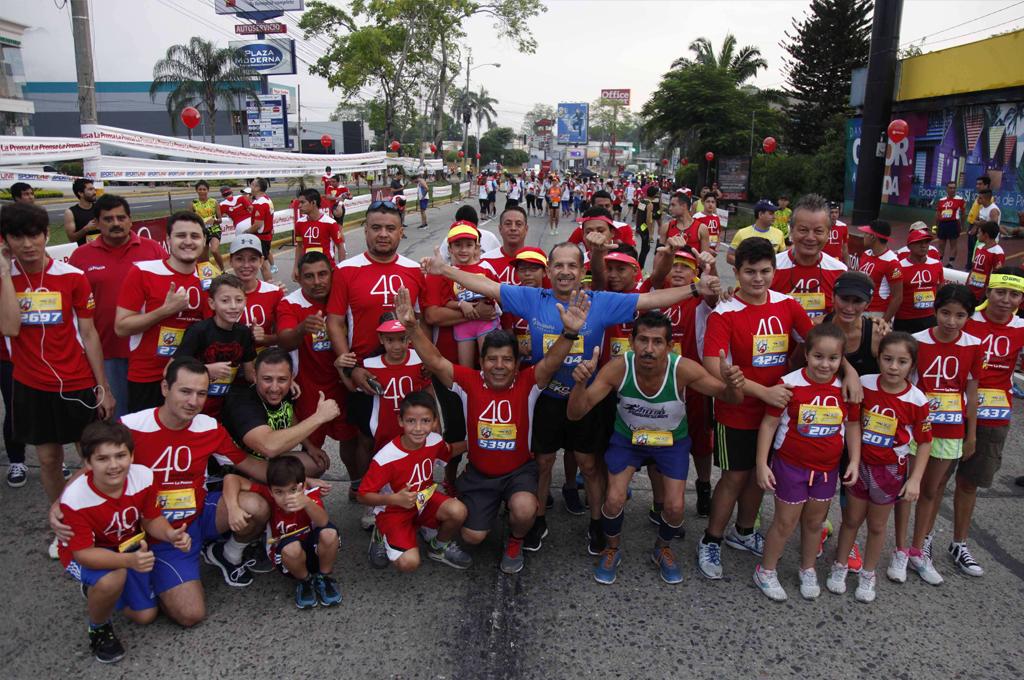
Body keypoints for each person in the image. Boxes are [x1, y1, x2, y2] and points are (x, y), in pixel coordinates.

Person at [422, 241, 723, 555]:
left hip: (587, 397)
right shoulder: (533, 298)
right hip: (546, 398)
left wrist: (695, 289)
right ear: (550, 271)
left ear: (582, 272)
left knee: (590, 465)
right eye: (559, 266)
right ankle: (536, 520)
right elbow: (488, 286)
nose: (565, 272)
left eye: (572, 266)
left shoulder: (601, 302)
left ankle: (595, 523)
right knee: (542, 462)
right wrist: (445, 269)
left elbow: (650, 298)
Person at [395, 286, 588, 573]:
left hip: (519, 472)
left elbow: (552, 361)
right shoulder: (468, 382)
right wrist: (412, 328)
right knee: (472, 536)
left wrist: (570, 333)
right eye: (492, 359)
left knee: (525, 510)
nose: (499, 366)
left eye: (507, 359)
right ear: (482, 362)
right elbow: (435, 360)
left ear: (516, 363)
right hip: (480, 475)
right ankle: (477, 505)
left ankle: (515, 539)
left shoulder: (528, 382)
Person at [567, 311, 746, 585]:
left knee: (675, 507)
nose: (649, 349)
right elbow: (576, 414)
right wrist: (580, 384)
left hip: (670, 442)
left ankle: (662, 548)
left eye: (657, 342)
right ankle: (612, 547)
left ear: (669, 346)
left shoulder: (682, 368)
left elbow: (730, 398)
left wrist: (733, 384)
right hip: (628, 440)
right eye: (643, 340)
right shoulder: (618, 367)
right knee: (613, 499)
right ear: (632, 341)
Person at [698, 237, 814, 581]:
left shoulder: (789, 305)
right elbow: (710, 365)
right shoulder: (725, 313)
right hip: (737, 410)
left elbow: (819, 343)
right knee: (735, 476)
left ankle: (744, 531)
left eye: (765, 271)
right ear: (736, 272)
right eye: (750, 272)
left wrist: (847, 371)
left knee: (760, 478)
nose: (758, 279)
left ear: (774, 271)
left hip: (777, 413)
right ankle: (711, 539)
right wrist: (761, 391)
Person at [2, 203, 113, 558]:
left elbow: (90, 333)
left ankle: (95, 519)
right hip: (30, 385)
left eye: (34, 235)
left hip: (77, 382)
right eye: (17, 237)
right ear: (6, 242)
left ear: (46, 235)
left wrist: (103, 387)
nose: (28, 244)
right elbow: (10, 327)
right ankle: (63, 522)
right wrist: (5, 275)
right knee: (48, 461)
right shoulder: (6, 281)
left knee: (91, 457)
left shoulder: (72, 277)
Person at [57, 420, 191, 663]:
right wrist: (129, 561)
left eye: (120, 455)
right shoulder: (76, 498)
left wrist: (171, 534)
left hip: (126, 548)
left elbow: (152, 519)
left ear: (132, 455)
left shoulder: (143, 476)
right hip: (88, 553)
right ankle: (99, 628)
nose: (114, 465)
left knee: (146, 616)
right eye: (102, 459)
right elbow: (83, 554)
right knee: (113, 577)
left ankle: (99, 592)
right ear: (87, 463)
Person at [326, 201, 426, 518]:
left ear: (400, 232)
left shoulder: (413, 271)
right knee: (364, 437)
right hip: (365, 370)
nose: (383, 234)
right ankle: (369, 493)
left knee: (409, 433)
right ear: (365, 230)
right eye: (376, 228)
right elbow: (335, 320)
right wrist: (351, 367)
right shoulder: (346, 270)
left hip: (406, 368)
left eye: (390, 228)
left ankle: (410, 492)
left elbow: (423, 321)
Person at [753, 323, 862, 602]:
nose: (825, 365)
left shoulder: (846, 389)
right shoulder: (789, 384)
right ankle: (766, 570)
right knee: (785, 523)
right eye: (818, 357)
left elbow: (851, 426)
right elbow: (769, 424)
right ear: (807, 354)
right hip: (790, 467)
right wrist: (762, 463)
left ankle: (808, 568)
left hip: (826, 469)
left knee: (815, 523)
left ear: (841, 359)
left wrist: (854, 460)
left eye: (833, 358)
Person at [827, 333, 932, 602]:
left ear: (912, 365)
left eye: (902, 361)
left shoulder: (918, 400)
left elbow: (925, 443)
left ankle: (868, 574)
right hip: (860, 466)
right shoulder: (864, 384)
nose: (893, 367)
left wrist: (916, 479)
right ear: (879, 358)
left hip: (890, 472)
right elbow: (852, 422)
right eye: (887, 359)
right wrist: (853, 460)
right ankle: (840, 566)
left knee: (876, 525)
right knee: (850, 519)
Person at [904, 284, 981, 586]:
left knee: (930, 490)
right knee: (905, 488)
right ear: (935, 311)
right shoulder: (916, 341)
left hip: (950, 428)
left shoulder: (974, 345)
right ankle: (901, 548)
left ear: (968, 317)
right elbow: (907, 386)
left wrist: (971, 434)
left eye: (960, 315)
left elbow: (972, 393)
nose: (951, 321)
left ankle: (920, 546)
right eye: (945, 313)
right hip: (916, 427)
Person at [68, 194, 166, 419]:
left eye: (121, 217)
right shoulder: (81, 257)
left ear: (130, 220)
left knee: (150, 418)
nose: (116, 223)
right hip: (106, 353)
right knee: (117, 420)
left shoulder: (153, 251)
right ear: (97, 223)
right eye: (108, 219)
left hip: (149, 353)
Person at [956, 268, 1024, 576]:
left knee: (970, 482)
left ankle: (959, 542)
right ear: (988, 292)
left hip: (994, 417)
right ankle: (923, 542)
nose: (1006, 300)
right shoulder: (967, 322)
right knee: (933, 485)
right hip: (952, 412)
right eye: (1000, 292)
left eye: (1014, 295)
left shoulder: (1021, 328)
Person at [359, 391, 472, 571]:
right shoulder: (386, 457)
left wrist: (474, 442)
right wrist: (394, 499)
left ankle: (439, 547)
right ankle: (381, 533)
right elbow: (363, 495)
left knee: (458, 511)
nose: (418, 428)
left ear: (435, 421)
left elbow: (448, 451)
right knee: (409, 563)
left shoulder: (434, 440)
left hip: (423, 500)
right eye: (411, 421)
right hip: (394, 509)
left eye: (425, 421)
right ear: (400, 421)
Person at [278, 252, 359, 486]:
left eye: (323, 274)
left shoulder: (343, 297)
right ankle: (304, 496)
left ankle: (356, 484)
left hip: (344, 385)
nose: (317, 282)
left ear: (332, 274)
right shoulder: (291, 303)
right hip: (309, 388)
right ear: (299, 278)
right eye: (309, 276)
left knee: (351, 441)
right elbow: (284, 339)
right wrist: (301, 329)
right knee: (312, 452)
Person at [115, 211, 208, 412]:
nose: (188, 242)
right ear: (168, 239)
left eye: (195, 236)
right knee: (147, 440)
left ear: (203, 241)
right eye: (181, 236)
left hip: (191, 380)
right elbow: (121, 327)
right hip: (148, 377)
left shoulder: (210, 279)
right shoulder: (143, 272)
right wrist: (165, 311)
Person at [223, 456, 341, 609]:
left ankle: (324, 577)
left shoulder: (309, 496)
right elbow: (231, 478)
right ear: (271, 491)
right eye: (279, 492)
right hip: (287, 556)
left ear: (303, 486)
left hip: (314, 552)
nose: (287, 498)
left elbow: (323, 522)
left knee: (329, 533)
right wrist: (233, 508)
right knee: (292, 548)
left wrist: (306, 502)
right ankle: (304, 581)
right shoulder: (268, 496)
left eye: (293, 490)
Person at [222, 348, 340, 477]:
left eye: (282, 379)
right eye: (267, 379)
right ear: (255, 376)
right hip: (240, 469)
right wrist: (318, 418)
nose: (274, 388)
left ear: (292, 378)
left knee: (317, 463)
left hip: (268, 461)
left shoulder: (286, 391)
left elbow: (288, 413)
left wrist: (309, 446)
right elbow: (269, 447)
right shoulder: (242, 401)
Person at [338, 316, 431, 452]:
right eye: (390, 340)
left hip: (415, 427)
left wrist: (435, 425)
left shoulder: (419, 360)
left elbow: (429, 393)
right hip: (383, 429)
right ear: (381, 339)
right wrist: (339, 368)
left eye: (402, 338)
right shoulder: (370, 364)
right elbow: (353, 387)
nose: (397, 346)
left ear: (409, 337)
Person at [175, 274, 256, 415]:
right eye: (225, 300)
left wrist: (279, 379)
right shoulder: (198, 331)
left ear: (245, 301)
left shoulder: (244, 332)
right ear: (212, 303)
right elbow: (171, 370)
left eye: (239, 300)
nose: (233, 306)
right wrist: (205, 369)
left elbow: (250, 375)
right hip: (196, 406)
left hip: (229, 404)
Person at [771, 194, 848, 319]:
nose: (810, 238)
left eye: (818, 231)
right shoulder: (770, 267)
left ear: (828, 234)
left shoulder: (840, 271)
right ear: (791, 231)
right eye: (803, 230)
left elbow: (849, 315)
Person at [228, 234, 283, 349]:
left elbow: (284, 337)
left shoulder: (275, 292)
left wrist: (265, 338)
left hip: (265, 361)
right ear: (230, 261)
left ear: (261, 261)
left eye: (253, 259)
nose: (246, 265)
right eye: (239, 259)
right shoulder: (220, 294)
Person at [895, 228, 944, 334]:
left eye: (926, 242)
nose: (924, 245)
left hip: (930, 317)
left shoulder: (937, 264)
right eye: (919, 242)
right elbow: (894, 295)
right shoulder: (899, 266)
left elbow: (941, 291)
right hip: (905, 319)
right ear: (909, 246)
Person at [293, 188, 345, 281]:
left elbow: (340, 246)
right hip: (308, 269)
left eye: (302, 202)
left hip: (327, 269)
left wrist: (342, 269)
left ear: (313, 203)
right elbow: (299, 246)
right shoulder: (299, 224)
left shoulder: (330, 223)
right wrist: (296, 268)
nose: (299, 206)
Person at [856, 221, 903, 322]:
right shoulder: (866, 254)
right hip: (860, 310)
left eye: (866, 233)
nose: (863, 236)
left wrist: (884, 321)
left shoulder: (892, 262)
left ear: (873, 237)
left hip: (877, 314)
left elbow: (897, 297)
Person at [482, 205, 529, 284]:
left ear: (526, 229)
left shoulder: (539, 262)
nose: (513, 228)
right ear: (500, 229)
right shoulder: (484, 261)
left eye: (518, 224)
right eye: (508, 224)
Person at [727, 200, 784, 264]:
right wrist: (747, 266)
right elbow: (729, 256)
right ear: (760, 214)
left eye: (774, 213)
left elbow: (782, 257)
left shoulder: (779, 233)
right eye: (771, 213)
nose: (774, 217)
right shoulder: (742, 233)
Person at [967, 221, 1004, 301]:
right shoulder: (979, 248)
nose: (977, 235)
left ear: (986, 235)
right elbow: (973, 268)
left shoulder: (997, 252)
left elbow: (996, 274)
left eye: (979, 233)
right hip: (971, 289)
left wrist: (988, 293)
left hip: (983, 294)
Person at [192, 180, 224, 271]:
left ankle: (222, 270)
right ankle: (208, 274)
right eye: (200, 189)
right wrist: (198, 220)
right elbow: (190, 220)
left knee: (214, 250)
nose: (202, 191)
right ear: (196, 190)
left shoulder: (214, 202)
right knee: (204, 257)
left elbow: (220, 220)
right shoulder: (193, 204)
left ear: (208, 190)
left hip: (214, 229)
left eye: (204, 189)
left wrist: (214, 221)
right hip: (201, 231)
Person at [248, 178, 276, 280]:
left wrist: (245, 232)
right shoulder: (267, 199)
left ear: (258, 188)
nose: (250, 186)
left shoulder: (259, 203)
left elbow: (258, 225)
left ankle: (270, 287)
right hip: (267, 235)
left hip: (261, 237)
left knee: (263, 266)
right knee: (262, 264)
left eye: (252, 184)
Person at [934, 181, 966, 268]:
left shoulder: (960, 200)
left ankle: (951, 263)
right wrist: (935, 226)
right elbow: (937, 214)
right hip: (942, 224)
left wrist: (962, 225)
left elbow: (963, 214)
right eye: (950, 188)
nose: (952, 190)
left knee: (953, 244)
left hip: (953, 224)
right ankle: (940, 262)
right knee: (941, 244)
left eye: (954, 188)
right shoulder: (941, 200)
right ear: (947, 189)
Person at [64, 178, 98, 245]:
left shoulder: (100, 207)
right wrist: (86, 229)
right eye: (90, 189)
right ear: (80, 193)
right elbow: (71, 238)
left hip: (103, 251)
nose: (94, 192)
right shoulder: (70, 212)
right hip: (85, 253)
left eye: (94, 189)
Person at [965, 175, 992, 263]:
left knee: (975, 248)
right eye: (977, 184)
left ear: (986, 185)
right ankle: (969, 267)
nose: (977, 186)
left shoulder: (988, 199)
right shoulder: (979, 197)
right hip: (973, 224)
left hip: (978, 226)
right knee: (970, 248)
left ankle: (973, 267)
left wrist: (975, 227)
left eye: (980, 184)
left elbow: (982, 214)